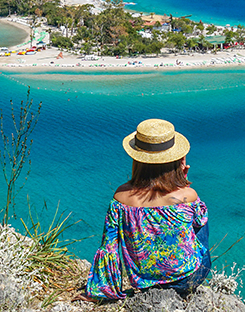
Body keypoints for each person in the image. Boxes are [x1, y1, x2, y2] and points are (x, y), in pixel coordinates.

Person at [83, 119, 211, 300]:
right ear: (177, 160)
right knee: (199, 218)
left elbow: (109, 247)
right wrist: (182, 182)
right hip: (189, 279)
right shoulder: (188, 196)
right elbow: (199, 221)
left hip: (145, 283)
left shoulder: (120, 197)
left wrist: (101, 290)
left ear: (137, 160)